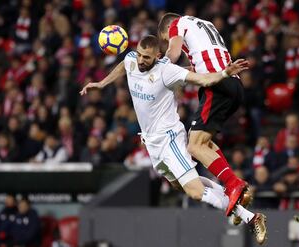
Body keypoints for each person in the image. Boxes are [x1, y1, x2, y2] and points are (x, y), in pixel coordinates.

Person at [80, 35, 267, 244]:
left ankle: (250, 217)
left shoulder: (166, 71)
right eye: (140, 55)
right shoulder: (132, 59)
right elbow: (124, 64)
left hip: (169, 139)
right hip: (151, 142)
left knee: (195, 192)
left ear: (157, 56)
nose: (141, 61)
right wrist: (103, 83)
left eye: (147, 58)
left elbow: (203, 80)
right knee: (181, 186)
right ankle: (229, 196)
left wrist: (225, 73)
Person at [158, 13, 252, 220]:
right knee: (203, 141)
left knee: (194, 145)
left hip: (215, 85)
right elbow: (195, 67)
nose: (170, 41)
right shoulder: (205, 24)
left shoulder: (176, 24)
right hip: (234, 84)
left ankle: (233, 183)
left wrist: (159, 68)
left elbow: (172, 54)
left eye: (166, 39)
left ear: (167, 29)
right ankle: (233, 184)